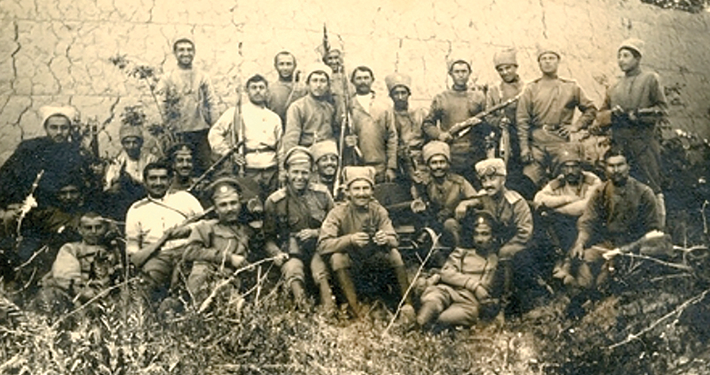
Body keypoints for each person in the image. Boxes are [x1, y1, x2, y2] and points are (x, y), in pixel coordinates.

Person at [317, 166, 414, 319]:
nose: (361, 193)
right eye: (356, 189)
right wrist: (350, 240)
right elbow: (323, 245)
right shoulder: (337, 213)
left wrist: (386, 238)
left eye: (365, 188)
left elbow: (394, 239)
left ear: (372, 191)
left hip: (373, 266)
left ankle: (407, 305)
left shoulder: (378, 210)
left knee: (394, 253)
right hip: (350, 268)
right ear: (347, 192)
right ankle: (356, 309)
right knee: (337, 258)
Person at [564, 147, 662, 289]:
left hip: (635, 246)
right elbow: (588, 222)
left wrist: (625, 250)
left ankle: (603, 294)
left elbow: (653, 231)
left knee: (608, 277)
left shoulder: (644, 192)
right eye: (611, 166)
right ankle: (583, 295)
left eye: (620, 165)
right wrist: (580, 243)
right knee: (584, 260)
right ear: (605, 168)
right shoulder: (601, 192)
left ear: (628, 166)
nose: (616, 170)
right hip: (608, 244)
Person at [597, 38, 668, 226]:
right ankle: (628, 230)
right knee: (623, 187)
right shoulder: (614, 86)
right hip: (621, 147)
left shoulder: (650, 79)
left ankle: (658, 230)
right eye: (619, 56)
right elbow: (600, 115)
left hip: (644, 144)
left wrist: (637, 114)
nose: (621, 60)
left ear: (637, 58)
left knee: (652, 186)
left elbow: (661, 109)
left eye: (626, 55)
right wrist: (613, 114)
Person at [263, 147, 336, 311]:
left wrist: (316, 233)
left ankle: (330, 309)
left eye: (304, 172)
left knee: (320, 271)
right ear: (287, 173)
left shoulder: (322, 194)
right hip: (290, 251)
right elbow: (267, 238)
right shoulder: (275, 201)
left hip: (319, 247)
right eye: (295, 172)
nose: (299, 177)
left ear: (311, 173)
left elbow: (336, 226)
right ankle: (303, 309)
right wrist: (276, 253)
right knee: (293, 270)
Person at [516, 45, 597, 188]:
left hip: (561, 143)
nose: (547, 62)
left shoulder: (571, 87)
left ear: (558, 62)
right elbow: (522, 120)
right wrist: (524, 147)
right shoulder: (531, 88)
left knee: (565, 180)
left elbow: (590, 109)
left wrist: (575, 126)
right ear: (539, 63)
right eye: (544, 59)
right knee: (530, 179)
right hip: (537, 143)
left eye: (551, 58)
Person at [125, 162, 205, 300]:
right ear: (145, 182)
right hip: (157, 256)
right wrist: (163, 239)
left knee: (197, 281)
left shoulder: (185, 198)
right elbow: (133, 250)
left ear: (170, 180)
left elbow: (205, 224)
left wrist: (186, 230)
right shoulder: (136, 209)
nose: (158, 183)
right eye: (153, 178)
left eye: (163, 178)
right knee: (146, 285)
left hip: (186, 251)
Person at [180, 177, 262, 304]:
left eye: (233, 203)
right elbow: (190, 252)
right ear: (215, 209)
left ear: (240, 204)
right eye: (223, 205)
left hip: (238, 283)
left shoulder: (247, 229)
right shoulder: (205, 227)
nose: (230, 209)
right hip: (209, 281)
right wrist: (229, 258)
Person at [416, 210, 501, 329]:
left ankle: (430, 328)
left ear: (494, 237)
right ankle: (418, 326)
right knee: (433, 301)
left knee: (444, 319)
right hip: (448, 289)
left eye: (485, 234)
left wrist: (471, 287)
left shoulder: (494, 260)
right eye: (476, 234)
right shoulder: (462, 253)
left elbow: (486, 287)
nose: (479, 239)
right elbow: (446, 272)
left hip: (469, 301)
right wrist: (474, 286)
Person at [0, 106, 91, 215]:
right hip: (32, 206)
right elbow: (6, 176)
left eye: (64, 128)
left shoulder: (76, 152)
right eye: (53, 127)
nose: (59, 132)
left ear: (70, 129)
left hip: (64, 206)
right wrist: (13, 201)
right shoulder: (30, 149)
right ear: (46, 128)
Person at [32, 212, 122, 315]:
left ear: (105, 228)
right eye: (88, 228)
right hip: (79, 296)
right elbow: (66, 278)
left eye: (98, 227)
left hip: (107, 297)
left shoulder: (114, 249)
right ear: (80, 230)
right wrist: (89, 295)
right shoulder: (71, 248)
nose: (94, 231)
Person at [209, 74, 283, 198]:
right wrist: (229, 153)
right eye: (254, 88)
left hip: (271, 169)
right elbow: (214, 134)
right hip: (249, 170)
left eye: (261, 87)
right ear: (247, 91)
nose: (258, 91)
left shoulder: (274, 118)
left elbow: (281, 147)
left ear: (267, 91)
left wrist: (282, 171)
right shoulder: (236, 113)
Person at [155, 38, 217, 173]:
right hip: (178, 134)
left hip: (200, 132)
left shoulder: (202, 76)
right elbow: (161, 104)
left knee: (204, 170)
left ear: (194, 52)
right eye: (181, 50)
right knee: (178, 169)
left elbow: (211, 102)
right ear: (175, 53)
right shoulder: (167, 78)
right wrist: (168, 127)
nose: (186, 53)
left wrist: (214, 129)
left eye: (189, 50)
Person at [422, 58, 487, 184]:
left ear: (469, 73)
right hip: (451, 153)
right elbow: (427, 124)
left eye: (464, 71)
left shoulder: (479, 97)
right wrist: (440, 134)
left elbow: (487, 124)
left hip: (474, 153)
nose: (461, 75)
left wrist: (479, 124)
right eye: (457, 71)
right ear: (450, 74)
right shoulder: (441, 98)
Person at [534, 145, 601, 253]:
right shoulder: (559, 181)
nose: (570, 171)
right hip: (564, 225)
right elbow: (539, 198)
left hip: (588, 226)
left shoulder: (592, 180)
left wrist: (553, 209)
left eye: (574, 167)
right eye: (566, 167)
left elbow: (584, 207)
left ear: (580, 167)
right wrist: (566, 199)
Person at [413, 141, 480, 250]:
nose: (438, 166)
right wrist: (417, 187)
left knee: (450, 223)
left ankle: (459, 253)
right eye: (434, 163)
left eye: (442, 162)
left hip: (458, 226)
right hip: (434, 227)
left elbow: (478, 200)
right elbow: (418, 202)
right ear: (428, 165)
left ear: (448, 163)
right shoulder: (424, 184)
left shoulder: (459, 181)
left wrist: (464, 204)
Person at [280, 64, 337, 179]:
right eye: (315, 81)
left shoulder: (330, 108)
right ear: (308, 84)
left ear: (328, 85)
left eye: (323, 81)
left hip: (326, 161)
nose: (319, 85)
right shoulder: (297, 107)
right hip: (306, 157)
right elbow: (291, 140)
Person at [486, 48, 529, 197]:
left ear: (516, 67)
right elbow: (488, 115)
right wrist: (498, 122)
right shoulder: (494, 90)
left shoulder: (527, 88)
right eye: (500, 69)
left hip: (525, 138)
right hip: (503, 140)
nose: (505, 72)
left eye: (508, 68)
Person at [345, 66, 398, 183]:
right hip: (357, 166)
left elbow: (392, 137)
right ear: (352, 81)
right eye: (358, 78)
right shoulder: (348, 106)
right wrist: (347, 141)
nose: (363, 81)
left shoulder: (384, 105)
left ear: (372, 80)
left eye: (366, 78)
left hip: (380, 166)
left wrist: (391, 167)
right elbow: (339, 134)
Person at [384, 72, 427, 182]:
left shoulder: (420, 113)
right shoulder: (387, 115)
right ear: (390, 96)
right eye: (396, 93)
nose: (400, 97)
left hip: (420, 160)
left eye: (403, 93)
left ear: (409, 94)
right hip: (397, 162)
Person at [104, 124, 158, 193]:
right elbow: (110, 182)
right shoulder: (118, 162)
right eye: (127, 143)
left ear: (141, 143)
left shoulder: (150, 159)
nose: (131, 146)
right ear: (123, 144)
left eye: (135, 142)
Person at [267, 51, 307, 126]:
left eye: (289, 64)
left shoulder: (303, 89)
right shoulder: (269, 90)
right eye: (281, 64)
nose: (285, 68)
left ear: (295, 66)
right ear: (275, 66)